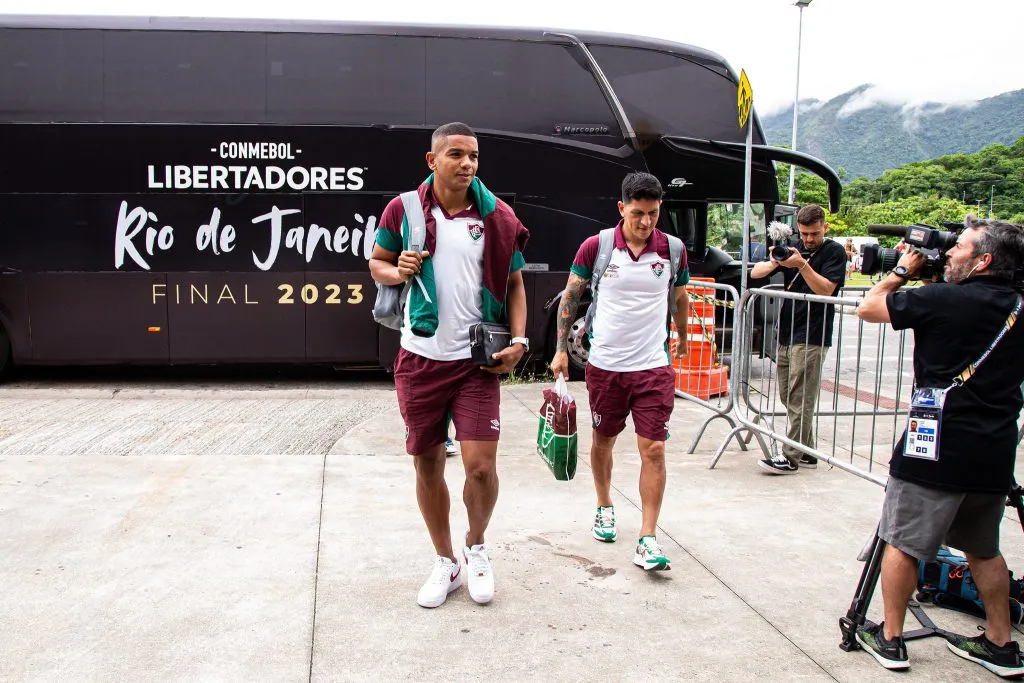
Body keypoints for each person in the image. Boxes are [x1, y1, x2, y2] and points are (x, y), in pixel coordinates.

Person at [369, 122, 530, 608]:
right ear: (432, 160)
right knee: (428, 464)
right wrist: (396, 270)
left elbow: (516, 284)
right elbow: (377, 260)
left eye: (475, 156)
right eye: (456, 154)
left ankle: (476, 547)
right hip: (420, 359)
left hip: (475, 364)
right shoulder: (404, 209)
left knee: (481, 469)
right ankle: (446, 562)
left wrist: (520, 340)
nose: (467, 164)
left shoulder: (496, 216)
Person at [855, 215, 1024, 675]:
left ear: (983, 260)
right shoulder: (1018, 306)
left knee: (903, 542)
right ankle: (1000, 643)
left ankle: (890, 637)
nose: (949, 251)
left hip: (935, 445)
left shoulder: (942, 299)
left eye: (960, 247)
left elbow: (869, 307)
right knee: (984, 548)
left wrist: (902, 270)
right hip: (994, 450)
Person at [550, 172, 689, 571]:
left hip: (653, 366)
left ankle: (648, 537)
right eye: (638, 213)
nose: (646, 222)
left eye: (653, 213)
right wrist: (561, 350)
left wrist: (679, 331)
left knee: (655, 449)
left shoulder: (673, 250)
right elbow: (570, 299)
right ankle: (604, 504)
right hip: (606, 366)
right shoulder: (597, 247)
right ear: (621, 208)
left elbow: (678, 297)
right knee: (604, 442)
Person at [749, 204, 847, 473]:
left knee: (800, 396)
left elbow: (826, 290)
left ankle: (790, 455)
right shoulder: (793, 248)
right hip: (787, 331)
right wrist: (776, 261)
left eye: (814, 234)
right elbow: (754, 274)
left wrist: (802, 265)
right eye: (804, 234)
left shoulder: (834, 252)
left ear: (825, 227)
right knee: (787, 394)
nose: (808, 240)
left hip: (813, 333)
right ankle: (808, 450)